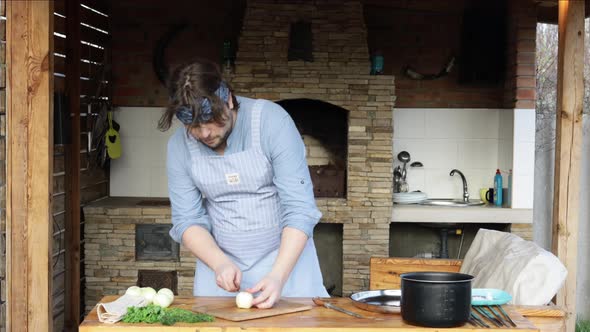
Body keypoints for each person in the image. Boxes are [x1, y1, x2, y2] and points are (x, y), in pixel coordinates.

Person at [158, 59, 329, 308]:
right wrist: (219, 263)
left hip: (287, 268)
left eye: (211, 121)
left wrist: (278, 276)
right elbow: (187, 219)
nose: (204, 134)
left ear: (228, 100)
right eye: (193, 126)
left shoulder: (271, 121)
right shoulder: (179, 146)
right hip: (220, 269)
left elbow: (299, 208)